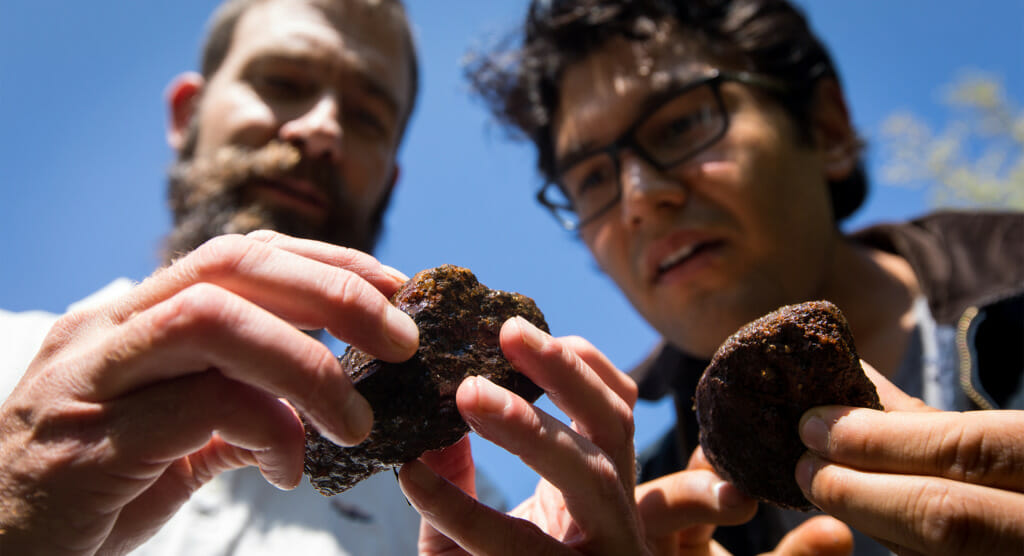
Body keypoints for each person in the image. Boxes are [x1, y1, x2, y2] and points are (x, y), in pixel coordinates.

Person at [406, 0, 1022, 554]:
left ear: (828, 127)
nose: (639, 199)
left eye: (680, 125)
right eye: (593, 179)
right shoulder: (640, 508)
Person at [0, 0, 448, 553]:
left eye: (367, 119)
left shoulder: (450, 512)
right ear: (187, 115)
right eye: (282, 82)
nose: (321, 130)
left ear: (389, 182)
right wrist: (15, 502)